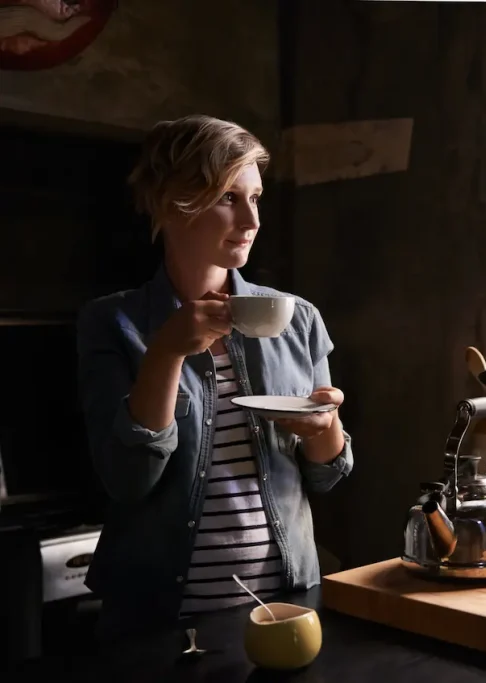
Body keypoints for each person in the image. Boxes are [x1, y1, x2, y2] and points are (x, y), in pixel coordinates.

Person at [76, 114, 353, 639]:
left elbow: (327, 475)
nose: (251, 220)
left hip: (286, 606)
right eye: (229, 197)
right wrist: (166, 352)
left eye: (256, 197)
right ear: (172, 202)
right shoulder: (113, 322)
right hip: (157, 620)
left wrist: (324, 428)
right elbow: (128, 480)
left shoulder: (298, 318)